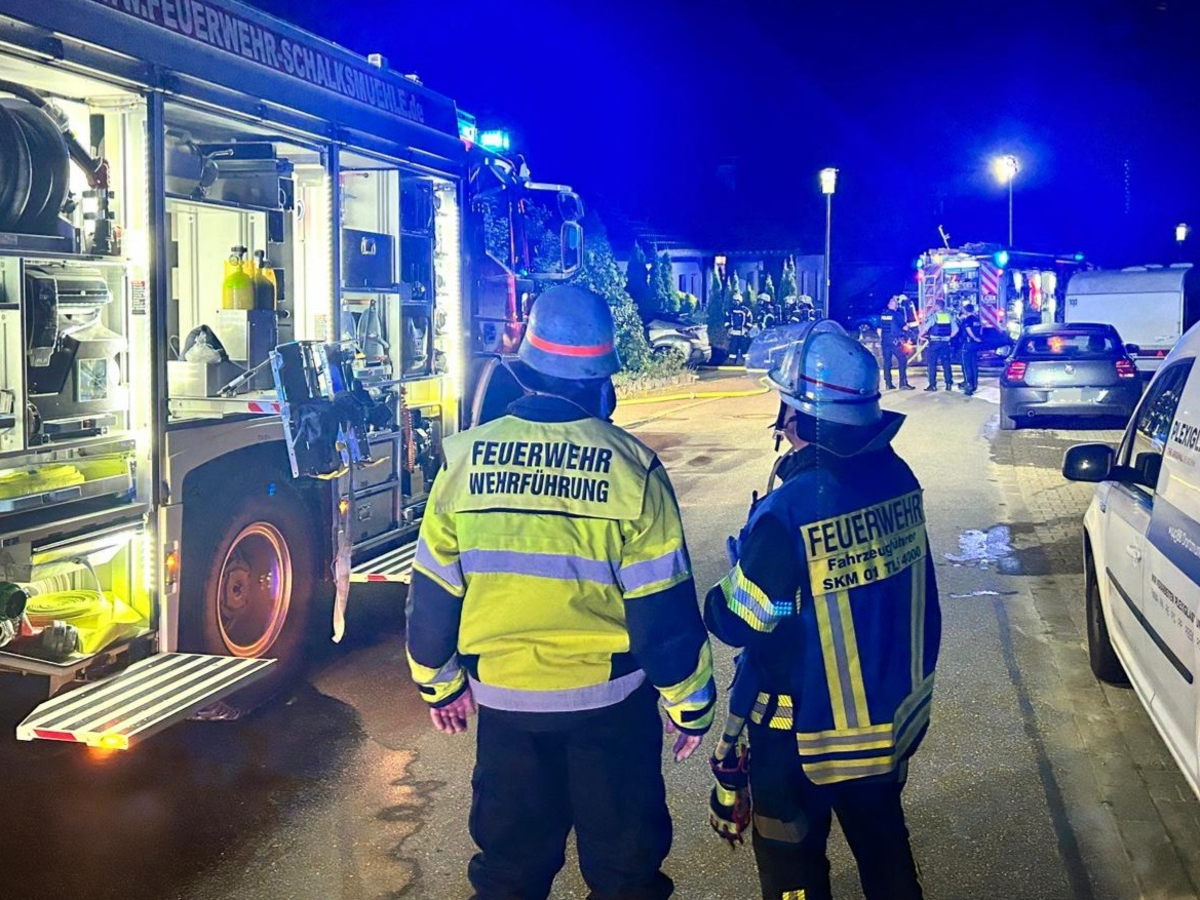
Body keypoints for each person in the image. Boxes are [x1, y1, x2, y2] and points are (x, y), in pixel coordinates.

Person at [406, 284, 716, 900]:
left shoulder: (462, 462)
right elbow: (662, 614)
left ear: (526, 368)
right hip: (611, 714)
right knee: (626, 878)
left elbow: (432, 595)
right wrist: (691, 706)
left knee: (508, 876)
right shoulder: (633, 469)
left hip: (507, 713)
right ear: (604, 380)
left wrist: (438, 684)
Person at [704, 320, 941, 900]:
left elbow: (742, 619)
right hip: (884, 726)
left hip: (799, 734)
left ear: (799, 416)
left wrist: (728, 586)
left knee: (793, 863)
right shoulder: (897, 477)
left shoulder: (790, 509)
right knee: (886, 854)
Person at [877, 296, 914, 390]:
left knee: (887, 362)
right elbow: (905, 328)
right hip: (895, 342)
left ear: (888, 305)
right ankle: (903, 383)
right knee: (902, 360)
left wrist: (883, 339)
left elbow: (879, 330)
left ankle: (888, 384)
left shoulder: (883, 315)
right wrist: (909, 327)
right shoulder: (897, 315)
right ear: (896, 306)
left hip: (885, 341)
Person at [920, 299, 957, 391]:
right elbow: (956, 329)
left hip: (934, 343)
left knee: (932, 364)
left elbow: (925, 329)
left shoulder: (933, 317)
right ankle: (948, 383)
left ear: (937, 306)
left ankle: (932, 385)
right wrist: (949, 337)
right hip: (945, 343)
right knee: (946, 363)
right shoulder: (949, 316)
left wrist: (920, 336)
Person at [958, 303, 983, 396]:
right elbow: (981, 329)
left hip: (968, 344)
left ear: (965, 310)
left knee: (966, 365)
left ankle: (968, 385)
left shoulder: (967, 320)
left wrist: (974, 337)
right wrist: (978, 338)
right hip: (975, 344)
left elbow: (968, 330)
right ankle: (974, 384)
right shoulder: (976, 319)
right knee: (974, 365)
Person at [728, 295, 751, 364]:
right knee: (733, 346)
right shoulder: (730, 310)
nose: (735, 302)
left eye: (737, 300)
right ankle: (732, 361)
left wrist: (746, 328)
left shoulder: (745, 310)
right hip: (733, 332)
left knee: (744, 346)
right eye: (734, 300)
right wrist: (729, 328)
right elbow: (727, 320)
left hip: (742, 332)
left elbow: (749, 319)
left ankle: (745, 361)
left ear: (740, 301)